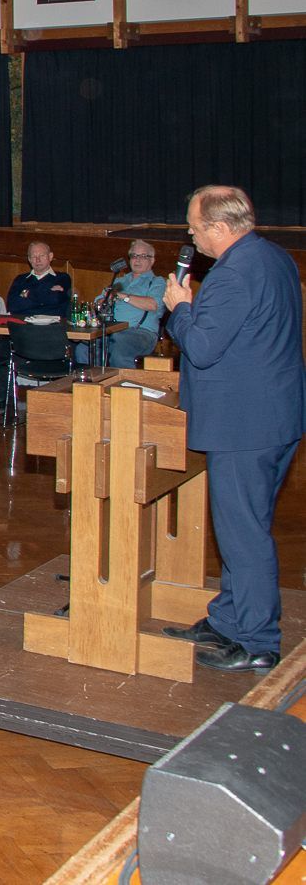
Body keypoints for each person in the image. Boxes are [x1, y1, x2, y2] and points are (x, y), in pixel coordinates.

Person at [159, 185, 306, 673]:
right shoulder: (274, 257)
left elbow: (201, 348)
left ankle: (258, 640)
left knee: (243, 533)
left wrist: (180, 306)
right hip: (274, 414)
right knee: (245, 525)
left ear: (220, 229)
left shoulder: (233, 275)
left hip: (245, 424)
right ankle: (229, 618)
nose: (190, 234)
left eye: (195, 227)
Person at [102, 240, 164, 367]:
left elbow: (153, 304)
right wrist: (103, 300)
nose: (137, 260)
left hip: (141, 332)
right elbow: (99, 301)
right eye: (134, 256)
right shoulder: (119, 281)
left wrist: (124, 297)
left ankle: (123, 385)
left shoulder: (157, 282)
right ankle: (91, 385)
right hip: (111, 329)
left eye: (143, 256)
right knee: (84, 346)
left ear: (152, 260)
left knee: (119, 341)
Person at [6, 242, 71, 318]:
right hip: (24, 326)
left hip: (52, 327)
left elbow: (55, 298)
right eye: (34, 256)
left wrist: (26, 293)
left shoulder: (62, 278)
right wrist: (47, 293)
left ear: (50, 256)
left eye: (42, 255)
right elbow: (13, 306)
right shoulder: (20, 279)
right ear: (29, 259)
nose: (38, 260)